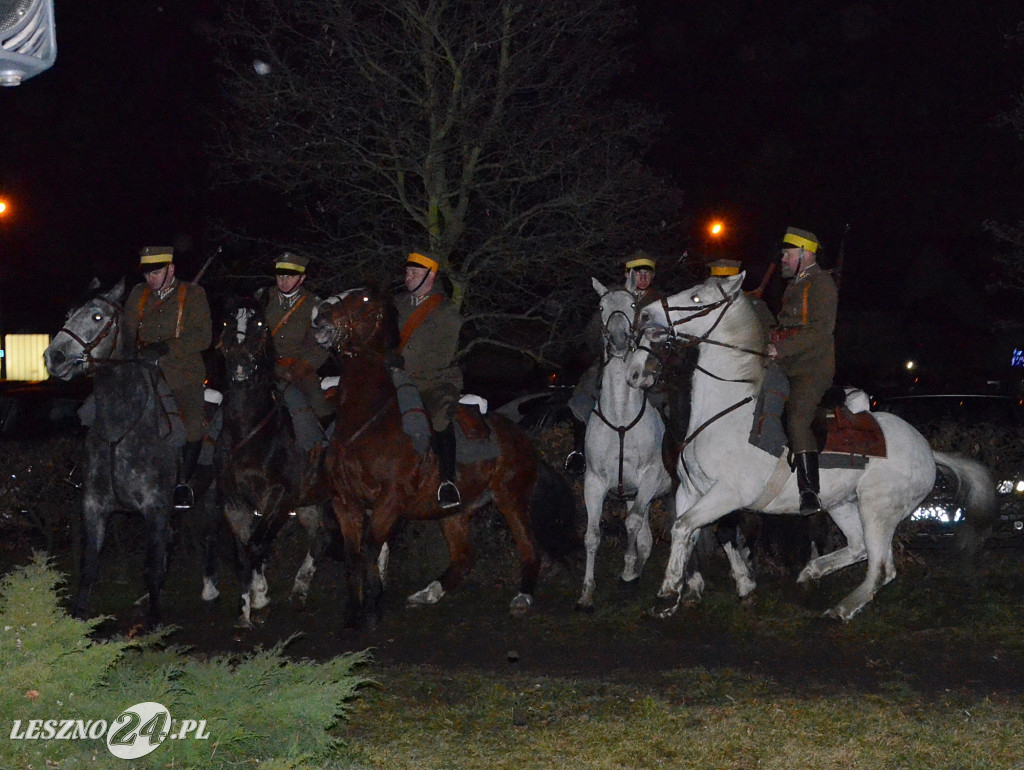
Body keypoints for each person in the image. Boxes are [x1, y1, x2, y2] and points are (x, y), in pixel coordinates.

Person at [124, 245, 212, 508]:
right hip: (142, 371)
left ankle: (182, 483)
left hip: (182, 373)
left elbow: (203, 337)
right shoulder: (138, 294)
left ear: (171, 269)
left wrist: (165, 348)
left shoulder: (193, 294)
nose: (150, 278)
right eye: (147, 273)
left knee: (194, 424)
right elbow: (127, 330)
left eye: (156, 272)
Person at [565, 251, 662, 476]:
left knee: (667, 400)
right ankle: (578, 451)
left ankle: (669, 455)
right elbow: (590, 336)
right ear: (628, 274)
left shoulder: (658, 302)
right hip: (611, 363)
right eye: (638, 273)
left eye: (648, 273)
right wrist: (603, 334)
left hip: (649, 362)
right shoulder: (610, 297)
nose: (643, 278)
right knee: (581, 397)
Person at [766, 227, 838, 515]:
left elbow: (820, 332)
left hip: (811, 368)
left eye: (788, 253)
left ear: (805, 254)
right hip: (787, 364)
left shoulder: (821, 284)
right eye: (784, 253)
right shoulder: (797, 284)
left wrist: (780, 349)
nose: (783, 258)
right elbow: (788, 327)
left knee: (797, 419)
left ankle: (810, 492)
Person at [392, 249, 464, 509]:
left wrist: (404, 366)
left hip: (435, 380)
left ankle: (447, 481)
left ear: (430, 276)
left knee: (439, 415)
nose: (408, 276)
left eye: (414, 272)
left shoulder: (447, 313)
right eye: (407, 271)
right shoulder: (396, 304)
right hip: (397, 378)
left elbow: (443, 356)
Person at [260, 252, 332, 448]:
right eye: (280, 276)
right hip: (265, 365)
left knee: (319, 406)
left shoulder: (315, 305)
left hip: (298, 369)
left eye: (289, 276)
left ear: (302, 278)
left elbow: (323, 345)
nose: (283, 281)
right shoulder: (263, 298)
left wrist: (303, 366)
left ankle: (320, 448)